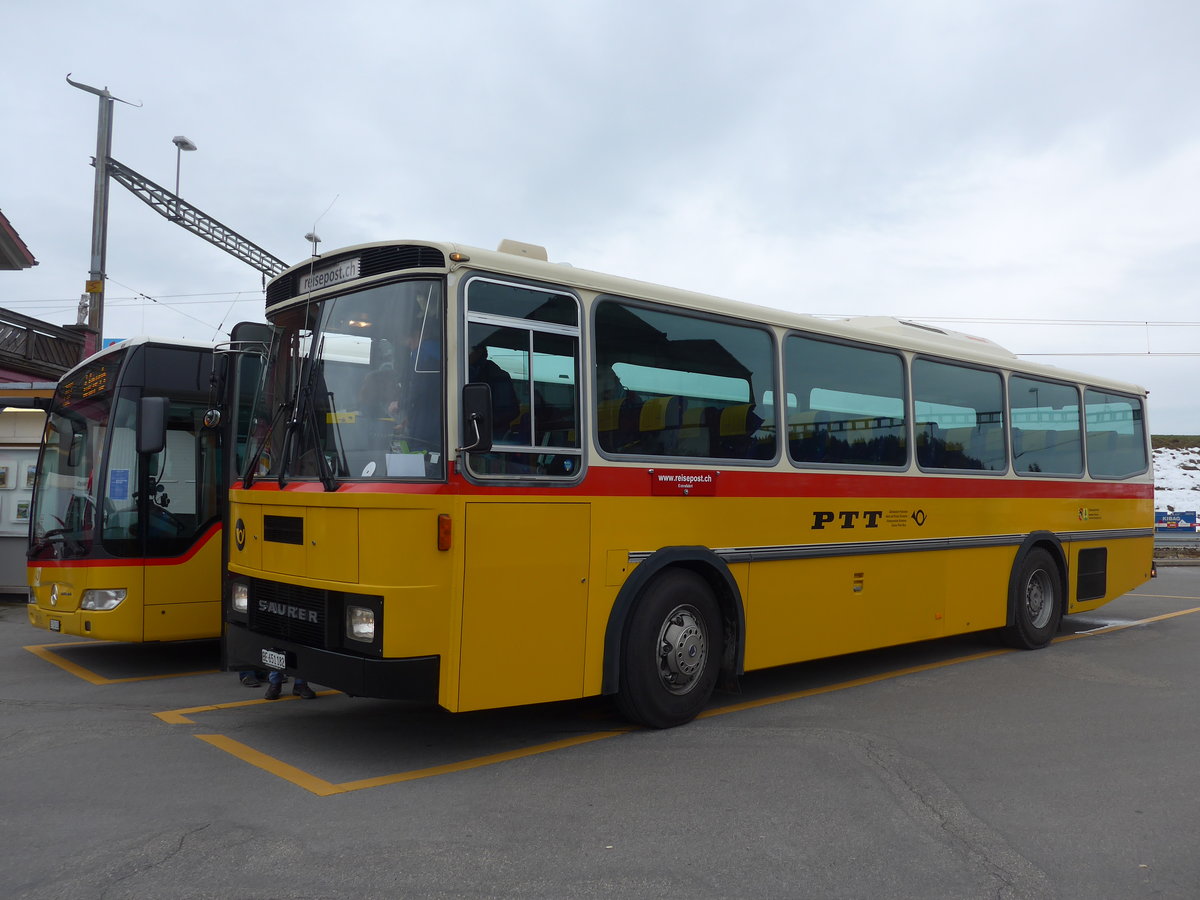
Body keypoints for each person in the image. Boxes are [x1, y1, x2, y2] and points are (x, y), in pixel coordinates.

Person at [468, 344, 520, 440]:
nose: (465, 353)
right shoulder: (464, 371)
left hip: (490, 438)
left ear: (478, 352)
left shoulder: (496, 375)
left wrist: (484, 420)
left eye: (467, 349)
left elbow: (510, 410)